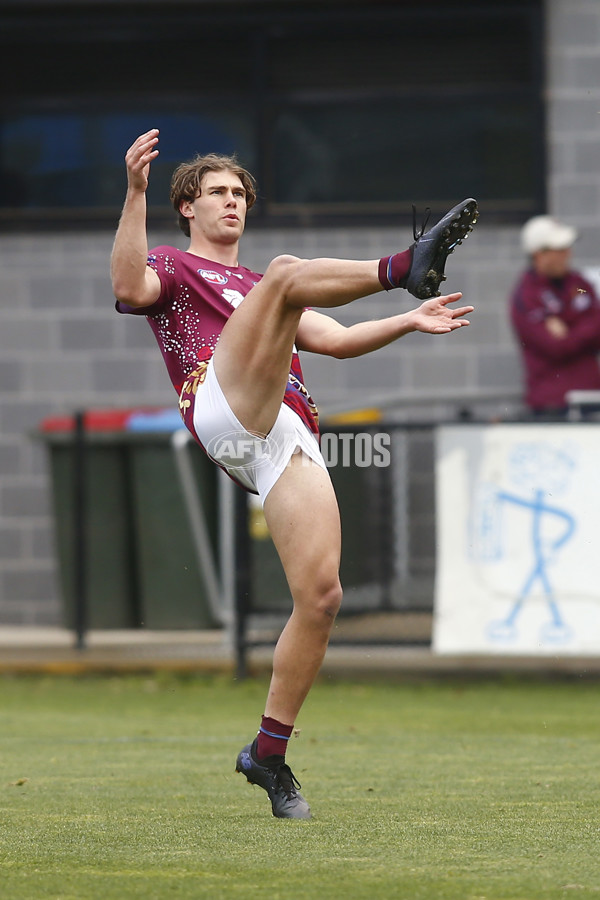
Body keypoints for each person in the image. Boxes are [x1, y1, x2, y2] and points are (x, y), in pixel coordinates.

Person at [110, 128, 478, 819]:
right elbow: (130, 286)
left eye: (240, 194)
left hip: (284, 430)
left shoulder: (266, 288)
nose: (231, 202)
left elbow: (335, 342)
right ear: (186, 207)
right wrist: (134, 192)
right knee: (285, 271)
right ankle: (405, 260)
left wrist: (408, 320)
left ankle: (268, 752)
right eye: (217, 192)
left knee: (322, 595)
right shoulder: (173, 264)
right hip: (221, 404)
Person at [510, 214, 600, 417]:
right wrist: (584, 322)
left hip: (592, 398)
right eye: (559, 249)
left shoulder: (579, 284)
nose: (567, 254)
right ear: (538, 255)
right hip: (552, 406)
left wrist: (569, 328)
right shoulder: (526, 295)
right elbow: (555, 346)